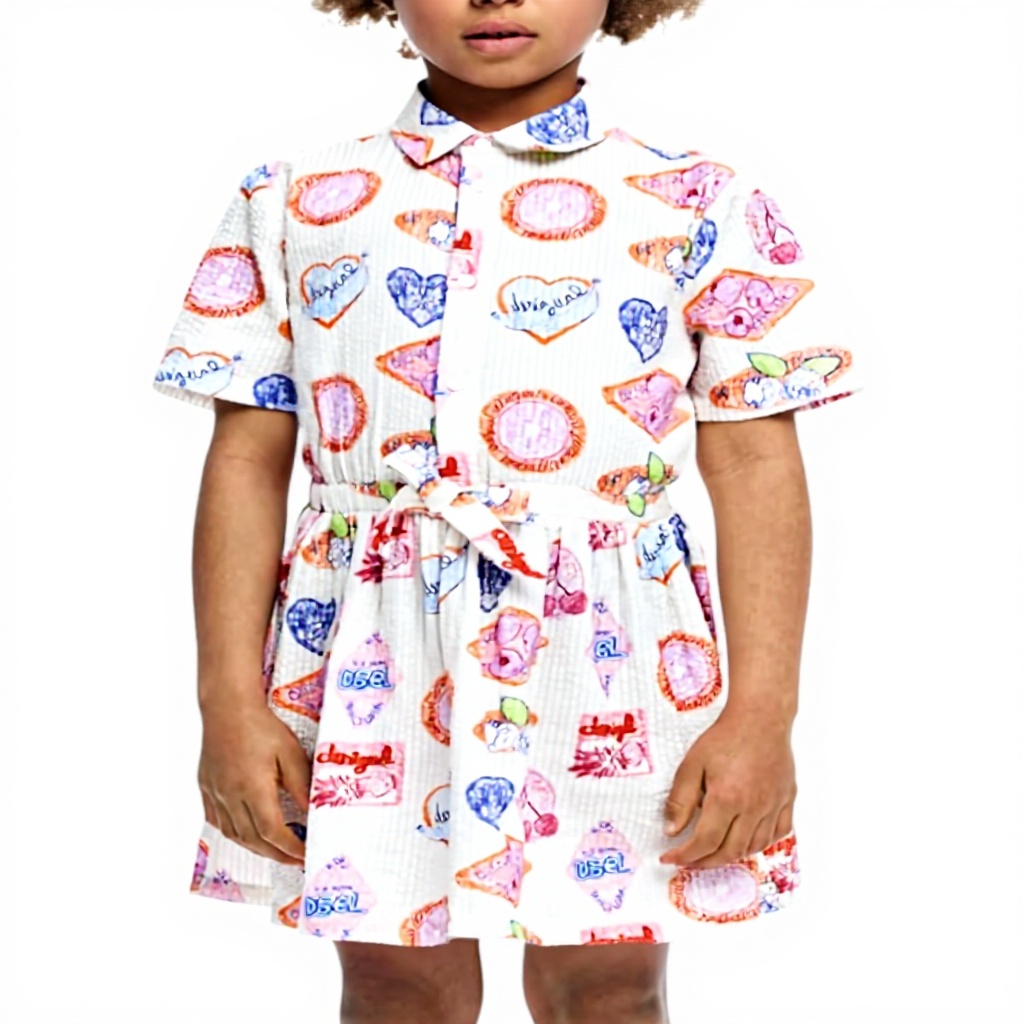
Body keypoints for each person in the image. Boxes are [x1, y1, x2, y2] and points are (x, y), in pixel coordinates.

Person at [152, 1, 861, 1021]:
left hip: (615, 661)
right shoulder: (292, 198)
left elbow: (754, 462)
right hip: (368, 658)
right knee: (395, 984)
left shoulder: (701, 200)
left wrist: (762, 713)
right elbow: (245, 459)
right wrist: (227, 699)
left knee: (607, 985)